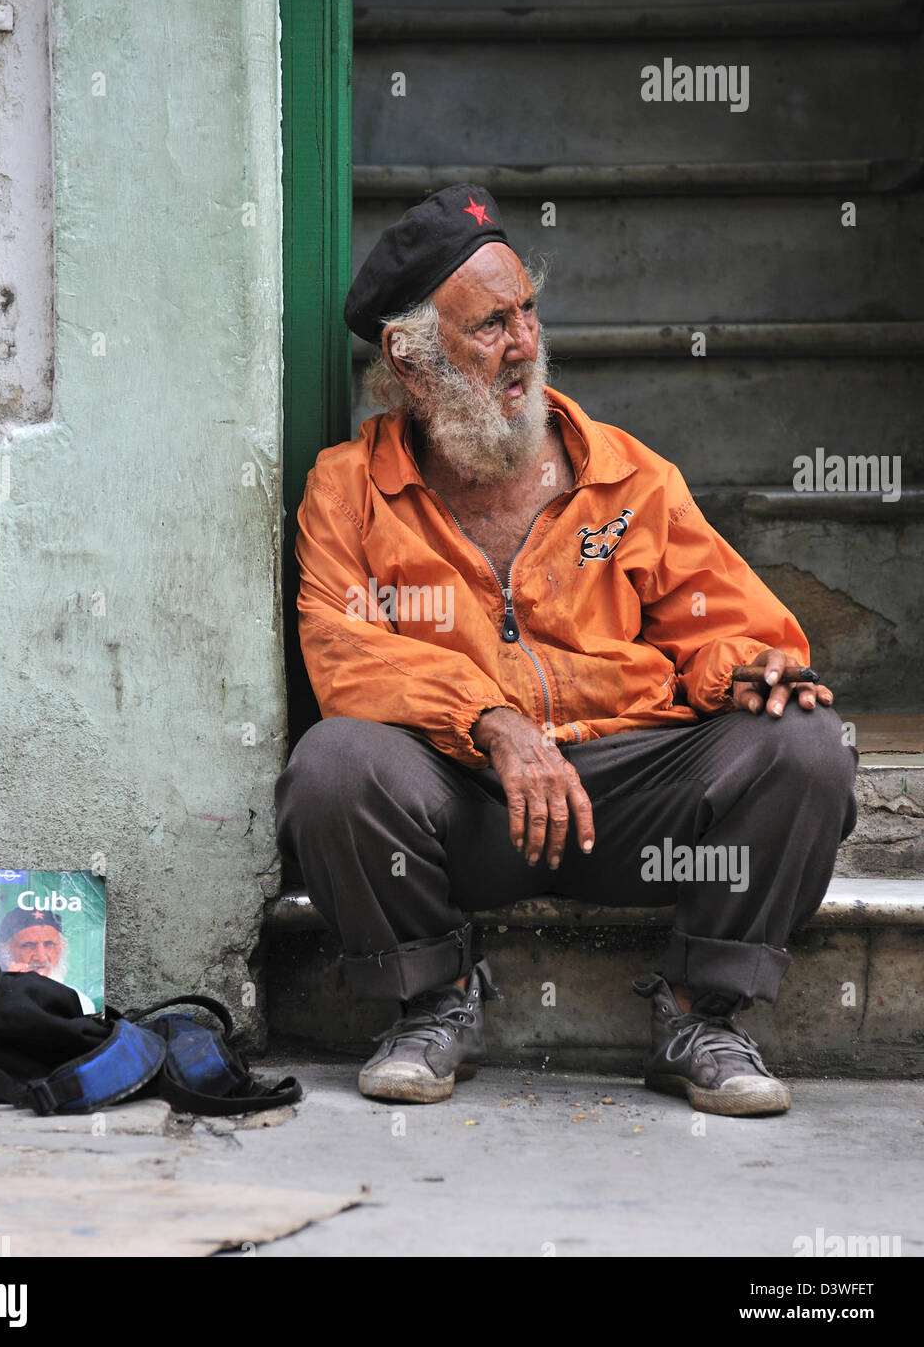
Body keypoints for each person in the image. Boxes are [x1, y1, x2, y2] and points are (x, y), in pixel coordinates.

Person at [275, 184, 858, 1117]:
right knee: (335, 764)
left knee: (805, 743)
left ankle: (700, 1013)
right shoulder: (348, 490)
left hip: (633, 804)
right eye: (491, 326)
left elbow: (727, 624)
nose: (524, 346)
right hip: (465, 807)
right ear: (411, 361)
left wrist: (747, 667)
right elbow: (343, 654)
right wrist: (492, 722)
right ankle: (433, 1001)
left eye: (529, 313)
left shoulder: (626, 474)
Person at [0, 907, 96, 1014]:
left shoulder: (81, 1003)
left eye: (49, 944)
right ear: (5, 950)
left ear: (61, 947)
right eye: (28, 945)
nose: (41, 957)